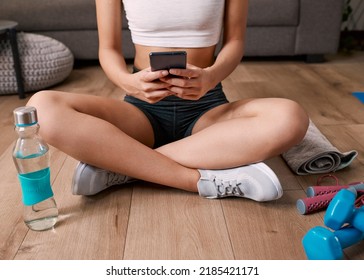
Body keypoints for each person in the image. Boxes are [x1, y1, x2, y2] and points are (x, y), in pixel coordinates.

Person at [27, 0, 309, 201]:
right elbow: (108, 49)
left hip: (207, 110)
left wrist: (210, 77)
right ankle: (197, 181)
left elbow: (235, 42)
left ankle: (122, 166)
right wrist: (129, 83)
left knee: (291, 117)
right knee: (42, 107)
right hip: (140, 110)